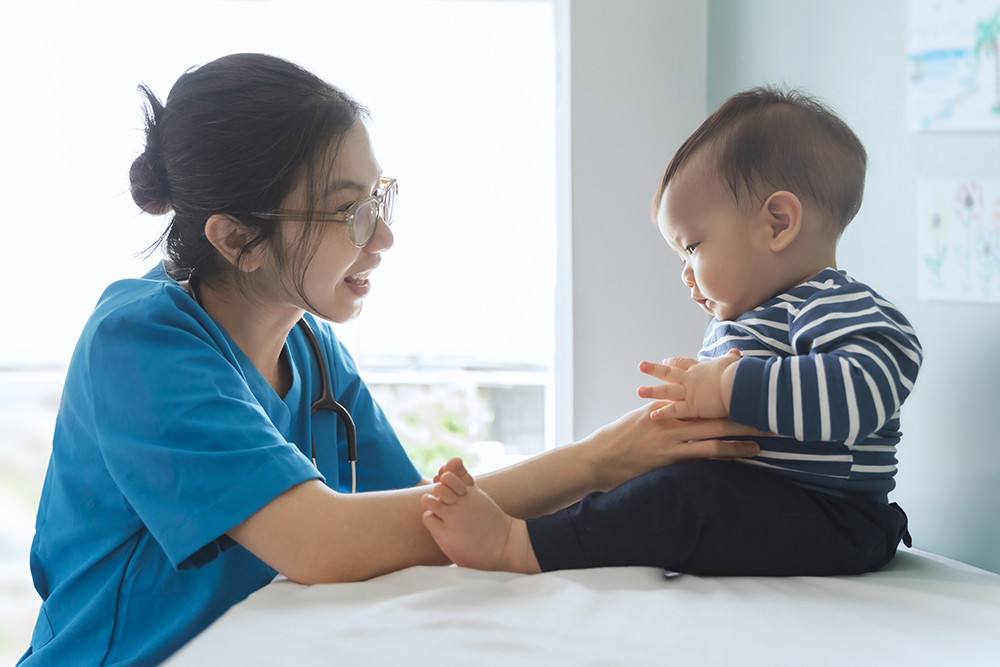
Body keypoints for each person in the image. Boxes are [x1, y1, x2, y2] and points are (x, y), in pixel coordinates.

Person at [19, 54, 762, 667]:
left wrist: (640, 467)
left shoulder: (312, 352)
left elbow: (429, 522)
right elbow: (319, 541)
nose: (381, 239)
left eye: (380, 199)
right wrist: (601, 459)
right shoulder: (142, 342)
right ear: (235, 238)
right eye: (349, 212)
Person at [420, 86, 922, 578]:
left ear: (777, 224)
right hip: (763, 505)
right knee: (648, 485)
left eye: (693, 247)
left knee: (680, 500)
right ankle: (547, 525)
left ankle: (518, 547)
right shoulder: (745, 320)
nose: (685, 273)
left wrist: (726, 387)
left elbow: (863, 393)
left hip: (836, 520)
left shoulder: (833, 304)